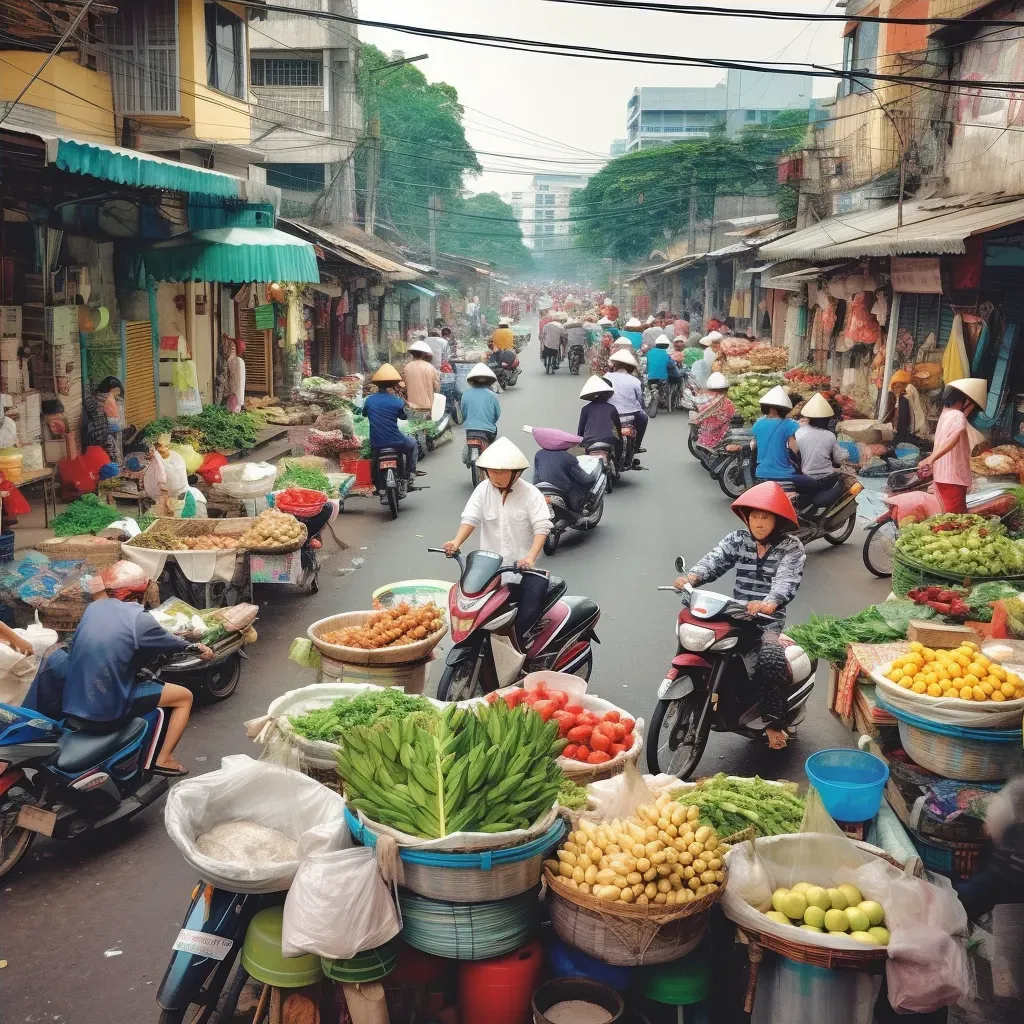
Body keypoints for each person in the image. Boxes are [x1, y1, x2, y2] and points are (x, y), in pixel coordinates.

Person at [674, 483, 807, 750]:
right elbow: (715, 559)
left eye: (765, 517)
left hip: (767, 621)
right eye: (754, 516)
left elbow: (786, 581)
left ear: (777, 520)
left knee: (770, 659)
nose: (758, 523)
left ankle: (773, 723)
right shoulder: (738, 539)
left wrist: (769, 603)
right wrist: (692, 577)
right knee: (699, 641)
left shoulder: (792, 548)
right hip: (734, 613)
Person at [60, 561, 213, 776]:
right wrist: (199, 648)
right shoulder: (139, 619)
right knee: (184, 697)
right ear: (139, 593)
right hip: (107, 711)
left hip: (73, 705)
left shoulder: (93, 609)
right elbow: (175, 642)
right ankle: (164, 758)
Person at [443, 437, 552, 645]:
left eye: (501, 472)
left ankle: (522, 653)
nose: (495, 477)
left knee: (525, 620)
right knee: (474, 617)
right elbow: (470, 518)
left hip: (524, 570)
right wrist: (456, 542)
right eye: (491, 471)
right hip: (490, 571)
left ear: (516, 473)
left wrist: (530, 557)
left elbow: (542, 527)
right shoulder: (483, 490)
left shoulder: (531, 494)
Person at [919, 378, 987, 513]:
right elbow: (954, 438)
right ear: (967, 401)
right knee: (955, 520)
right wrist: (931, 458)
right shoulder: (957, 416)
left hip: (943, 477)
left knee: (949, 516)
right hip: (954, 478)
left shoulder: (946, 415)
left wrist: (932, 459)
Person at [363, 363, 422, 478]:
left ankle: (376, 480)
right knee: (413, 444)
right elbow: (403, 416)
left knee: (374, 459)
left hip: (376, 442)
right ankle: (410, 472)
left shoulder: (369, 400)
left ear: (377, 386)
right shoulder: (397, 401)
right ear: (392, 386)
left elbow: (364, 413)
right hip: (396, 441)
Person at [790, 392, 848, 498]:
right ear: (827, 419)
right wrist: (846, 453)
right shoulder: (829, 435)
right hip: (826, 480)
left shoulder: (799, 432)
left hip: (804, 479)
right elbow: (839, 457)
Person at [527, 426, 593, 515]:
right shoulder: (568, 458)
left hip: (539, 486)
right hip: (559, 488)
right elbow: (584, 478)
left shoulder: (539, 454)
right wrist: (591, 480)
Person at [751, 386, 799, 481]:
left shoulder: (758, 423)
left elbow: (753, 445)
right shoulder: (791, 424)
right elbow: (796, 449)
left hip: (761, 474)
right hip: (784, 475)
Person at [607, 348, 648, 452]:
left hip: (610, 411)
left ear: (615, 365)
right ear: (630, 367)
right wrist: (643, 408)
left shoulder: (607, 376)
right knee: (644, 418)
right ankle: (637, 446)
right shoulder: (635, 381)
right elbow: (640, 398)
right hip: (632, 412)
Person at [577, 375, 622, 458]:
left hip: (590, 441)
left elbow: (580, 431)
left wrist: (581, 442)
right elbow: (618, 428)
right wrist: (620, 440)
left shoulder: (585, 409)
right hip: (609, 440)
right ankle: (618, 465)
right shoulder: (612, 408)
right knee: (619, 446)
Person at [83, 375, 123, 462]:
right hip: (111, 425)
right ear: (112, 388)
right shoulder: (107, 397)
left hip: (108, 425)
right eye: (116, 389)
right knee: (111, 448)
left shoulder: (101, 396)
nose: (118, 392)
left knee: (108, 447)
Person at [692, 372, 736, 450]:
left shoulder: (703, 397)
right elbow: (732, 415)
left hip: (704, 436)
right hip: (719, 436)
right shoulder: (727, 401)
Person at [461, 363, 501, 440]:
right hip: (488, 432)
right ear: (488, 382)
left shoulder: (465, 395)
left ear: (473, 382)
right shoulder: (493, 395)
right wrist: (489, 422)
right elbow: (497, 414)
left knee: (465, 448)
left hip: (469, 431)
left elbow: (464, 414)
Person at [402, 339, 440, 419]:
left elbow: (404, 387)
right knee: (426, 429)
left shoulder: (407, 367)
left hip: (411, 406)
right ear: (423, 355)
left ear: (413, 354)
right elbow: (437, 388)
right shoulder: (431, 368)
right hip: (428, 407)